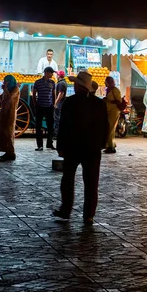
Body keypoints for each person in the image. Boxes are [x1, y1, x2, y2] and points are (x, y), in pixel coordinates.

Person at [53, 71, 109, 225]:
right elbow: (106, 126)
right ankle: (89, 215)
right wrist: (102, 144)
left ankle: (66, 210)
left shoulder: (70, 102)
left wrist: (60, 146)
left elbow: (63, 126)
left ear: (78, 85)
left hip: (73, 147)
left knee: (68, 179)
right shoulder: (99, 104)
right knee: (91, 183)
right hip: (92, 149)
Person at [0, 75, 20, 161]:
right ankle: (5, 150)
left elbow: (10, 98)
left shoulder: (15, 89)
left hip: (10, 113)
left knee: (8, 131)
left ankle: (10, 152)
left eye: (6, 81)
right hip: (3, 112)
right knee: (2, 131)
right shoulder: (8, 89)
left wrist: (5, 89)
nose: (4, 83)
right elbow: (2, 98)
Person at [33, 67, 56, 151]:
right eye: (51, 73)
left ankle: (49, 144)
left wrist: (53, 104)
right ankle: (40, 145)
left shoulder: (52, 83)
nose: (52, 74)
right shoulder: (37, 82)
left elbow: (53, 94)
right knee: (38, 127)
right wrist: (36, 104)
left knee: (50, 126)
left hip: (49, 107)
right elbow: (34, 93)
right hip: (40, 106)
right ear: (46, 72)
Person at [103, 76, 122, 154]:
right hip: (109, 111)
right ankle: (109, 145)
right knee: (109, 128)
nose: (105, 83)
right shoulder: (108, 90)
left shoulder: (115, 90)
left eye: (106, 82)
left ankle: (111, 147)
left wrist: (109, 101)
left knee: (111, 128)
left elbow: (119, 101)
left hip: (114, 111)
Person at [53, 70, 68, 138]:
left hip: (60, 103)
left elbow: (60, 94)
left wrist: (56, 102)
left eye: (57, 74)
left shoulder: (61, 83)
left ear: (59, 76)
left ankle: (57, 134)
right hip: (60, 103)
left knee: (57, 118)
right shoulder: (62, 83)